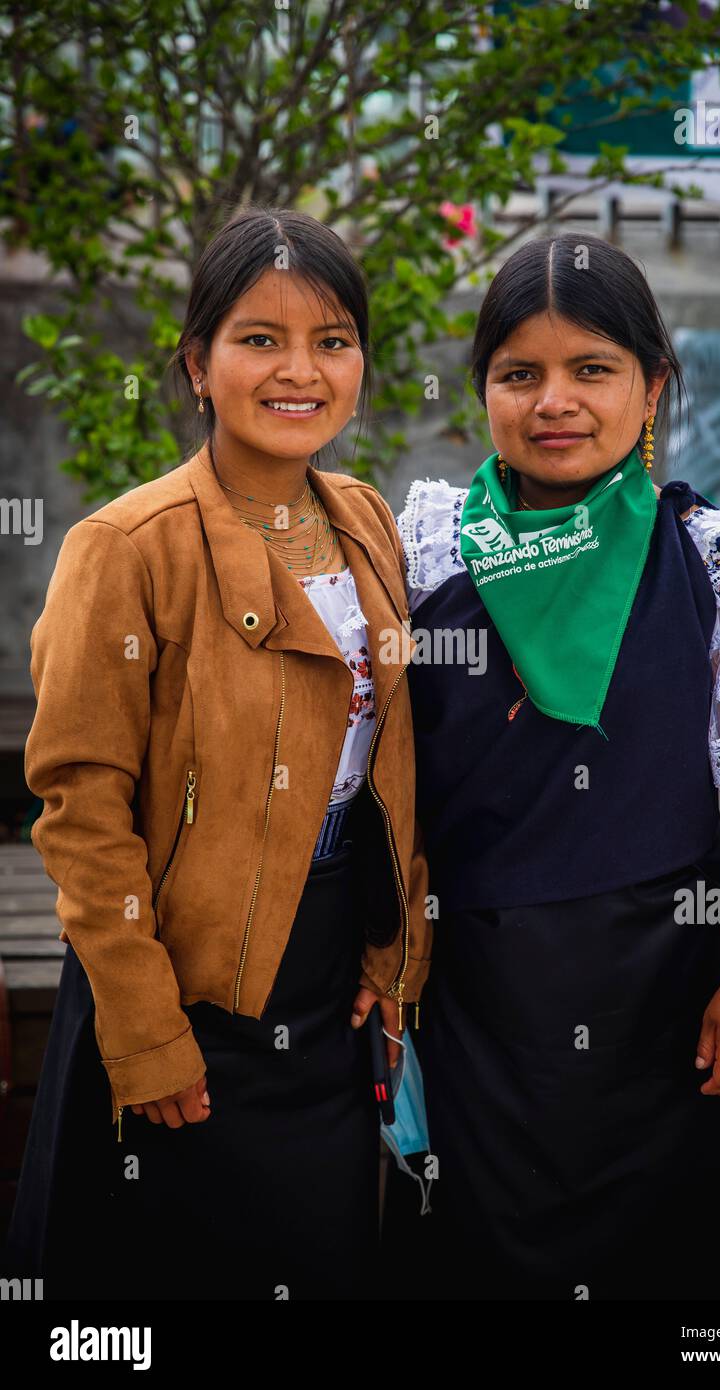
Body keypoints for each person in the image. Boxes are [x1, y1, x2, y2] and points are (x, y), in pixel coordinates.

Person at [393, 233, 720, 1301]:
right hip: (479, 1003)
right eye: (519, 373)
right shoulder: (425, 550)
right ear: (484, 393)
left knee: (682, 1265)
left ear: (652, 384)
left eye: (591, 368)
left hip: (672, 991)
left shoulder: (713, 557)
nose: (553, 400)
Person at [4, 206, 431, 1301]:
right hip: (182, 983)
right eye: (259, 339)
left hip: (328, 975)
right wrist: (144, 1033)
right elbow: (80, 809)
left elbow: (393, 759)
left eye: (332, 341)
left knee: (320, 1256)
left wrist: (392, 956)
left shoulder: (365, 519)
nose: (300, 370)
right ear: (197, 365)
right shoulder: (127, 547)